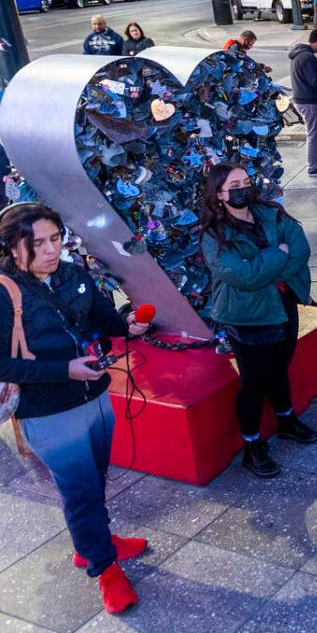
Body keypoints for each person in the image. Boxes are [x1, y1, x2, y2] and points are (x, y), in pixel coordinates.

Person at [0, 203, 151, 615]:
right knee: (80, 491)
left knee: (95, 479)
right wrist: (65, 369)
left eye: (55, 239)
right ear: (13, 246)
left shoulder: (73, 274)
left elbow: (106, 320)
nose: (51, 250)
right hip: (48, 411)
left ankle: (93, 542)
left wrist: (129, 324)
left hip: (95, 395)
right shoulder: (3, 291)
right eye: (38, 243)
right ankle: (104, 567)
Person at [200, 163, 317, 479]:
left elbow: (299, 248)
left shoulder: (270, 213)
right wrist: (276, 257)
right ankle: (252, 446)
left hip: (282, 304)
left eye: (246, 181)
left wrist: (267, 267)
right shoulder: (215, 235)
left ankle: (286, 418)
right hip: (248, 316)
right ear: (220, 194)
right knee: (253, 381)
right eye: (234, 184)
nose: (243, 187)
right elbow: (242, 276)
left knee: (280, 367)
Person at [288, 29, 317, 175]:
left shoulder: (299, 54)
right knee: (313, 134)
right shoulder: (308, 57)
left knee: (315, 132)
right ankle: (312, 166)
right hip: (308, 100)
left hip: (301, 98)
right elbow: (315, 81)